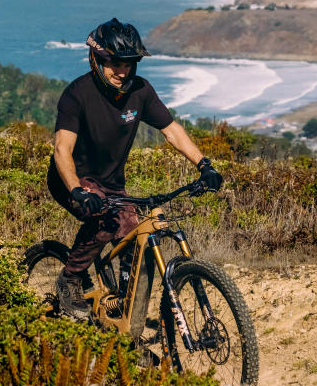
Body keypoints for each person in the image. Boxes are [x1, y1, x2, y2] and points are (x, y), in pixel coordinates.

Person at [48, 18, 223, 320]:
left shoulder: (140, 92)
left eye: (128, 64)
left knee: (136, 240)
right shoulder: (78, 94)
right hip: (73, 180)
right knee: (103, 220)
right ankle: (70, 279)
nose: (122, 71)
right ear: (96, 59)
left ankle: (126, 320)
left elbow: (173, 131)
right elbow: (62, 148)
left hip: (112, 184)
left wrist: (204, 165)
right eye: (114, 63)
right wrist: (77, 190)